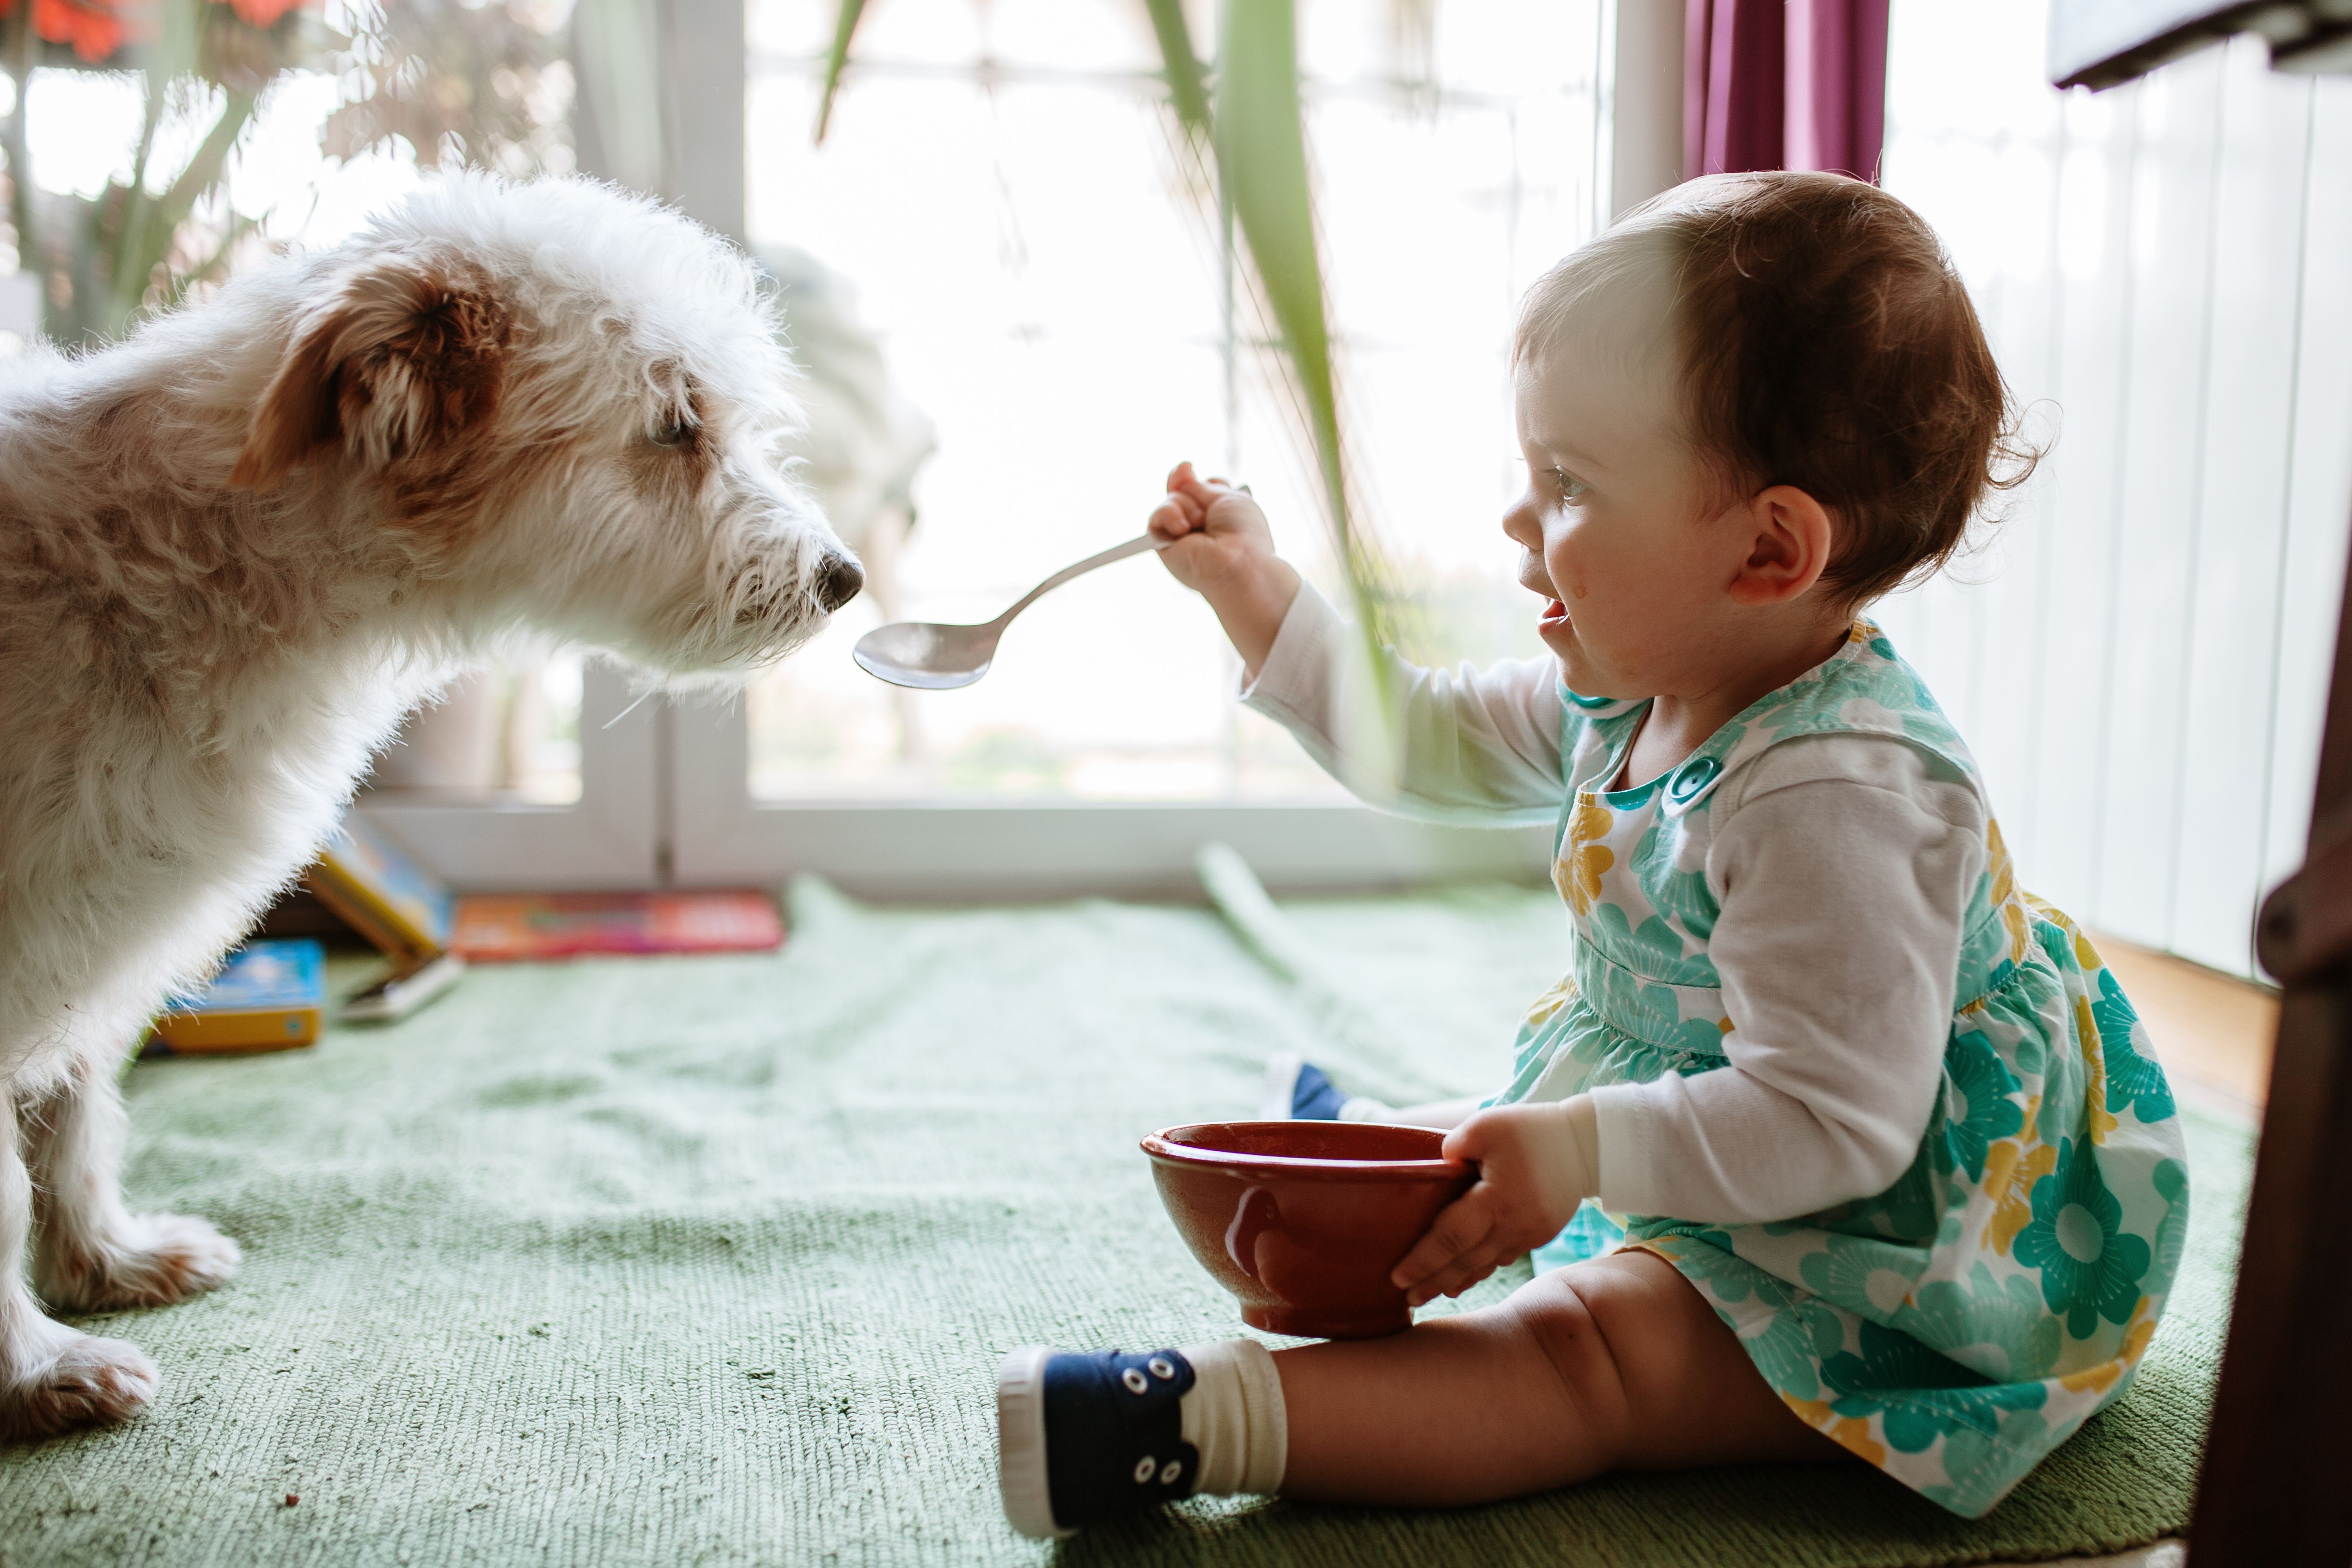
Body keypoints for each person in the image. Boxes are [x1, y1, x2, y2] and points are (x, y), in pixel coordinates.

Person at [992, 171, 2190, 1539]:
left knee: (1586, 1357)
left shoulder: (1839, 793)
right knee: (1484, 1165)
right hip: (1732, 1138)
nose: (1517, 523)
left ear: (1766, 548)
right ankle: (1398, 1146)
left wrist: (1574, 1153)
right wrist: (1257, 596)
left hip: (1898, 1254)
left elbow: (1833, 1125)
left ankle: (1186, 1424)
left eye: (1566, 484)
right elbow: (1423, 738)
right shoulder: (1637, 685)